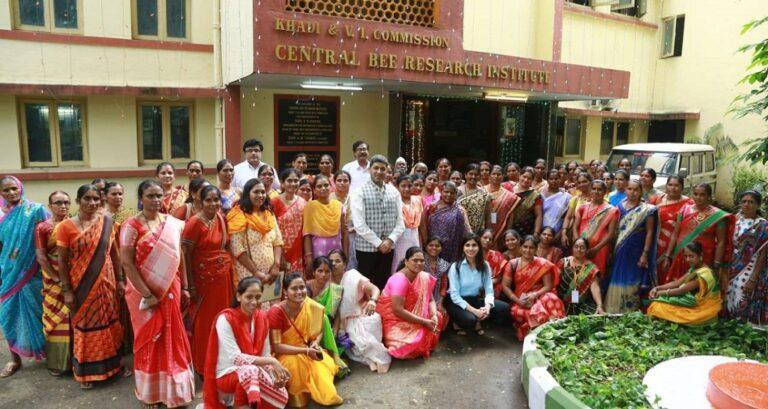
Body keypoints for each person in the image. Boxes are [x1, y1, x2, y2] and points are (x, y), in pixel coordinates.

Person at [120, 180, 194, 407]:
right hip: (143, 293)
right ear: (140, 198)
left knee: (173, 336)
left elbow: (179, 256)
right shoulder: (131, 225)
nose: (155, 200)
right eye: (150, 196)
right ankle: (151, 393)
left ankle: (176, 391)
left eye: (158, 195)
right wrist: (147, 293)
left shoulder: (172, 223)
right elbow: (127, 263)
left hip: (170, 287)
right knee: (149, 339)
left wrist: (184, 287)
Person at [57, 184, 124, 389]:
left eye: (96, 199)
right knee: (85, 326)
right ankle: (86, 372)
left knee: (110, 321)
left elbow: (114, 253)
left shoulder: (107, 222)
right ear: (78, 201)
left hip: (107, 282)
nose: (92, 203)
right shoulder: (65, 227)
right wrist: (67, 290)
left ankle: (114, 367)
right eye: (87, 198)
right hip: (81, 285)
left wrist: (120, 279)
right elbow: (61, 261)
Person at [202, 277, 289, 409]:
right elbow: (236, 358)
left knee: (279, 392)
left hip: (251, 372)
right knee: (250, 371)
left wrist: (273, 375)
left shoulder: (262, 318)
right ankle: (241, 406)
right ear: (238, 296)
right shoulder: (225, 319)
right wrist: (272, 362)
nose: (254, 302)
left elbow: (266, 355)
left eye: (258, 297)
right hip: (225, 375)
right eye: (249, 297)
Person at [268, 273, 343, 407]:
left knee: (323, 372)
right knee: (294, 368)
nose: (299, 292)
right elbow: (277, 346)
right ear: (285, 291)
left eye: (302, 287)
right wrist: (306, 350)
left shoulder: (310, 305)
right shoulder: (276, 312)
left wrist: (315, 343)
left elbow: (318, 330)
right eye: (294, 288)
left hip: (307, 350)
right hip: (285, 354)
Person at [181, 185, 234, 376]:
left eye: (216, 200)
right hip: (203, 282)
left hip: (222, 280)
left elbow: (227, 246)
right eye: (208, 200)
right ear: (200, 202)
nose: (213, 204)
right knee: (205, 323)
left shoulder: (221, 218)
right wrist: (190, 285)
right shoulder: (194, 222)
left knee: (223, 320)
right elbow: (185, 254)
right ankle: (203, 365)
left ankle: (222, 362)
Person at [0, 176, 48, 377]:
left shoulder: (35, 210)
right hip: (7, 273)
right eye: (6, 190)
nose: (11, 193)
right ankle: (15, 360)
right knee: (8, 315)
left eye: (14, 188)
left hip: (34, 272)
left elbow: (48, 234)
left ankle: (51, 354)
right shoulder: (1, 216)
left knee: (41, 314)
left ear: (21, 188)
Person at [328, 249, 391, 373]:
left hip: (361, 316)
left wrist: (373, 300)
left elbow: (374, 289)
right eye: (331, 261)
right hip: (341, 324)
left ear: (345, 264)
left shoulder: (352, 276)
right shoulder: (326, 281)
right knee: (353, 347)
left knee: (367, 340)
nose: (334, 264)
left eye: (338, 261)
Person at [660, 183, 734, 287]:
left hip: (704, 258)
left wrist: (717, 264)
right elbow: (675, 234)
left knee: (699, 288)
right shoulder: (684, 209)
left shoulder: (718, 216)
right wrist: (668, 256)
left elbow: (721, 241)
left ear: (709, 196)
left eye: (702, 194)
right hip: (681, 255)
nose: (698, 197)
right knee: (678, 285)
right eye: (695, 194)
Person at [376, 247, 444, 359]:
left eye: (422, 261)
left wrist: (433, 314)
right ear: (406, 262)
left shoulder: (423, 276)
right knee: (409, 344)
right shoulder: (399, 280)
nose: (419, 263)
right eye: (415, 260)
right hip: (395, 319)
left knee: (439, 317)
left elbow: (431, 300)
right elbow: (397, 310)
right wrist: (424, 322)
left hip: (414, 316)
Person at [349, 155, 405, 290]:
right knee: (364, 286)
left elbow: (400, 223)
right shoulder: (359, 192)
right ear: (369, 169)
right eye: (376, 168)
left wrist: (390, 240)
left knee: (383, 283)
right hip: (366, 249)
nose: (379, 172)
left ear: (387, 171)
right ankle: (363, 311)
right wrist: (379, 243)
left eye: (382, 169)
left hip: (388, 248)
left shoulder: (394, 192)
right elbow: (359, 225)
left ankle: (381, 310)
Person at [604, 180, 658, 313]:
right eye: (629, 189)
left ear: (641, 191)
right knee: (616, 276)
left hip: (636, 251)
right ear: (625, 190)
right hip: (619, 249)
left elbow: (650, 232)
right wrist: (610, 250)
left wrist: (645, 254)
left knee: (633, 279)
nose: (632, 192)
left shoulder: (647, 210)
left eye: (636, 190)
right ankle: (613, 309)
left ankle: (630, 311)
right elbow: (614, 231)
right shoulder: (618, 206)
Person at [35, 191, 71, 376]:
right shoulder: (43, 227)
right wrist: (57, 280)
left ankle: (75, 361)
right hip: (53, 280)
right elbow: (41, 256)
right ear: (49, 206)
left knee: (73, 321)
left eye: (66, 202)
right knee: (56, 322)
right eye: (58, 203)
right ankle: (58, 363)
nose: (62, 206)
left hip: (73, 277)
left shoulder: (74, 224)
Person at [501, 235, 565, 340]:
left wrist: (535, 295)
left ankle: (556, 330)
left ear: (536, 249)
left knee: (551, 298)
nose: (528, 250)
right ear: (520, 248)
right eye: (525, 247)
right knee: (517, 311)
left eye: (531, 248)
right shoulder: (512, 264)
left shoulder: (542, 264)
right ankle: (538, 334)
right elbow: (505, 286)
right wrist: (517, 301)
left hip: (540, 294)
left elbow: (548, 285)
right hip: (521, 298)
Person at [446, 234, 510, 335]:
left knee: (504, 308)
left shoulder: (485, 265)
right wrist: (475, 311)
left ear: (479, 247)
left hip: (474, 299)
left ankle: (478, 319)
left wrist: (487, 307)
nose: (471, 248)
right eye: (467, 245)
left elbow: (489, 290)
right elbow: (454, 295)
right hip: (456, 302)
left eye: (474, 245)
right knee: (470, 321)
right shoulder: (456, 267)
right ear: (462, 248)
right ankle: (457, 321)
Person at [647, 242, 722, 325]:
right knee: (658, 304)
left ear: (700, 256)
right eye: (686, 256)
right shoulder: (694, 269)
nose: (688, 260)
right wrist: (657, 288)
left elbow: (681, 290)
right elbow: (677, 283)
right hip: (691, 301)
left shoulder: (704, 273)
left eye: (691, 256)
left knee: (657, 306)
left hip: (702, 308)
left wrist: (659, 293)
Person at [228, 179, 283, 290]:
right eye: (256, 192)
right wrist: (256, 272)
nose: (260, 195)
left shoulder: (269, 214)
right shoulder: (238, 215)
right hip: (248, 273)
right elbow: (237, 248)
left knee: (271, 305)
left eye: (263, 192)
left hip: (271, 274)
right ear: (247, 194)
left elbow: (277, 241)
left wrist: (276, 266)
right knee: (252, 304)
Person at [726, 191, 768, 324]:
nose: (747, 204)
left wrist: (753, 278)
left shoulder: (763, 225)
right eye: (744, 201)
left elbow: (762, 254)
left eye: (751, 202)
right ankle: (728, 324)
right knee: (728, 292)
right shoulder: (735, 220)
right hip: (731, 267)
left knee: (742, 292)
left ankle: (742, 328)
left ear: (758, 205)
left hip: (750, 268)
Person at [305, 257, 349, 377]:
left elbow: (337, 312)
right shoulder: (306, 287)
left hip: (326, 327)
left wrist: (335, 328)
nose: (323, 275)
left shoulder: (334, 289)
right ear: (313, 272)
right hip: (310, 325)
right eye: (320, 271)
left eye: (327, 271)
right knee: (322, 316)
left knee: (326, 319)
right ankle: (335, 357)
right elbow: (305, 312)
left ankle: (333, 355)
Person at [651, 175, 693, 284]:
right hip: (656, 243)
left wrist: (668, 255)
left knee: (670, 273)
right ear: (666, 186)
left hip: (678, 245)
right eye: (670, 185)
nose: (672, 188)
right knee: (655, 273)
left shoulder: (689, 204)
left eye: (676, 185)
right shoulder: (657, 199)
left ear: (682, 187)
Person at [572, 180, 619, 275]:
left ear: (605, 192)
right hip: (581, 247)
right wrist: (579, 245)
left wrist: (596, 249)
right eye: (594, 189)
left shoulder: (611, 210)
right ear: (590, 190)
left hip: (600, 249)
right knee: (577, 273)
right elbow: (575, 227)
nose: (596, 192)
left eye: (599, 189)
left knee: (596, 274)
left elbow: (611, 234)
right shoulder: (583, 207)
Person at [302, 175, 347, 273]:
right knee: (321, 279)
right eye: (319, 186)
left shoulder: (338, 206)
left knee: (336, 280)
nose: (323, 188)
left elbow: (344, 232)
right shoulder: (310, 207)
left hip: (337, 250)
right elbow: (307, 234)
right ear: (314, 190)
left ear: (331, 187)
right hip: (318, 250)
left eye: (326, 185)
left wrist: (345, 256)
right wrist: (309, 259)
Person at [421, 181, 471, 263]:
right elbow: (423, 225)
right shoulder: (432, 207)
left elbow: (467, 229)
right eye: (446, 192)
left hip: (452, 248)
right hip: (433, 246)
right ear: (441, 192)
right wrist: (426, 242)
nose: (449, 195)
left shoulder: (460, 210)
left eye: (452, 193)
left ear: (456, 194)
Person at [556, 238, 604, 315]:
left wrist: (599, 305)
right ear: (572, 248)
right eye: (576, 246)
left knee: (595, 317)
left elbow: (595, 287)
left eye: (582, 247)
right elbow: (554, 281)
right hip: (561, 300)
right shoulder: (564, 262)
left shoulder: (591, 268)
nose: (579, 249)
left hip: (581, 303)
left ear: (587, 250)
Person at [272, 169, 307, 274]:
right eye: (289, 180)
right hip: (279, 250)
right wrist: (279, 256)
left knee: (296, 284)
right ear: (282, 183)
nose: (293, 183)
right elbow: (271, 230)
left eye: (296, 181)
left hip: (298, 250)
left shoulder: (303, 202)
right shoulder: (274, 202)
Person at [392, 175, 423, 275]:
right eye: (403, 186)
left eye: (409, 186)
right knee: (399, 262)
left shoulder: (418, 200)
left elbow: (421, 223)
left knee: (415, 261)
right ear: (397, 187)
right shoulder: (394, 202)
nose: (406, 189)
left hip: (414, 236)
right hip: (399, 238)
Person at [485, 165, 520, 250]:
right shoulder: (482, 191)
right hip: (483, 227)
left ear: (503, 176)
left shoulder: (509, 196)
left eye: (499, 174)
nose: (496, 176)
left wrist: (507, 232)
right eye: (493, 174)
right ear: (489, 175)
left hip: (501, 230)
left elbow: (510, 215)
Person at [508, 167, 543, 237]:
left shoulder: (535, 195)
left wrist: (536, 233)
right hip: (508, 229)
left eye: (529, 178)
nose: (526, 180)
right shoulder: (509, 190)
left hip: (527, 230)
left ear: (532, 180)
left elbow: (538, 215)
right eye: (524, 177)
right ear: (519, 176)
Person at [561, 172, 592, 248]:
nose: (582, 184)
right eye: (579, 182)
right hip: (576, 233)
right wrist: (564, 233)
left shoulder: (597, 199)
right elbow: (568, 217)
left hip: (593, 233)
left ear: (590, 181)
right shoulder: (575, 199)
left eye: (584, 181)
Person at [457, 163, 489, 233]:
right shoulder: (458, 191)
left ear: (480, 177)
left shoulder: (484, 193)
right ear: (465, 175)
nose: (473, 177)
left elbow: (490, 213)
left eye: (476, 175)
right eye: (471, 174)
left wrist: (492, 227)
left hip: (479, 231)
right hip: (460, 230)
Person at [423, 235, 451, 309]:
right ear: (426, 247)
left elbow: (443, 286)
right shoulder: (420, 262)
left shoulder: (444, 264)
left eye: (437, 246)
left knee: (440, 315)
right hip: (421, 297)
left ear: (441, 248)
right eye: (431, 245)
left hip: (437, 299)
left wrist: (440, 304)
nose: (434, 248)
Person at [541, 169, 571, 234]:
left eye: (556, 179)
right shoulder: (541, 195)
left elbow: (568, 217)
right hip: (542, 230)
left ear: (560, 179)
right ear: (547, 180)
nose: (554, 181)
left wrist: (561, 233)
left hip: (558, 231)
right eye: (551, 179)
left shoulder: (566, 197)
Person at [480, 229, 507, 297]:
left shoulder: (497, 255)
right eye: (485, 237)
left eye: (490, 239)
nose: (487, 240)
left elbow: (499, 278)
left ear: (492, 242)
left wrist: (486, 284)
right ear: (479, 238)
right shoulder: (472, 254)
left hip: (492, 286)